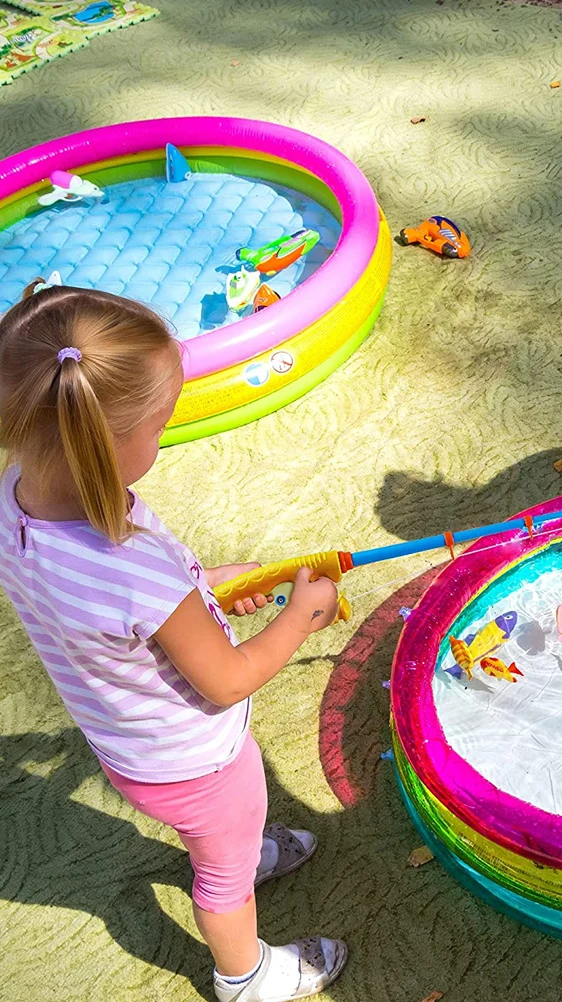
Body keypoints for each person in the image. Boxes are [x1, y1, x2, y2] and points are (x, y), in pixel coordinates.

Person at [0, 281, 346, 1002]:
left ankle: (241, 854)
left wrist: (202, 587)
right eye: (158, 428)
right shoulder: (133, 569)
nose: (159, 439)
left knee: (224, 843)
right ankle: (246, 975)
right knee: (221, 880)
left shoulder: (15, 495)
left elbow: (108, 617)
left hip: (129, 747)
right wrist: (299, 614)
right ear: (109, 444)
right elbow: (224, 679)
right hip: (197, 762)